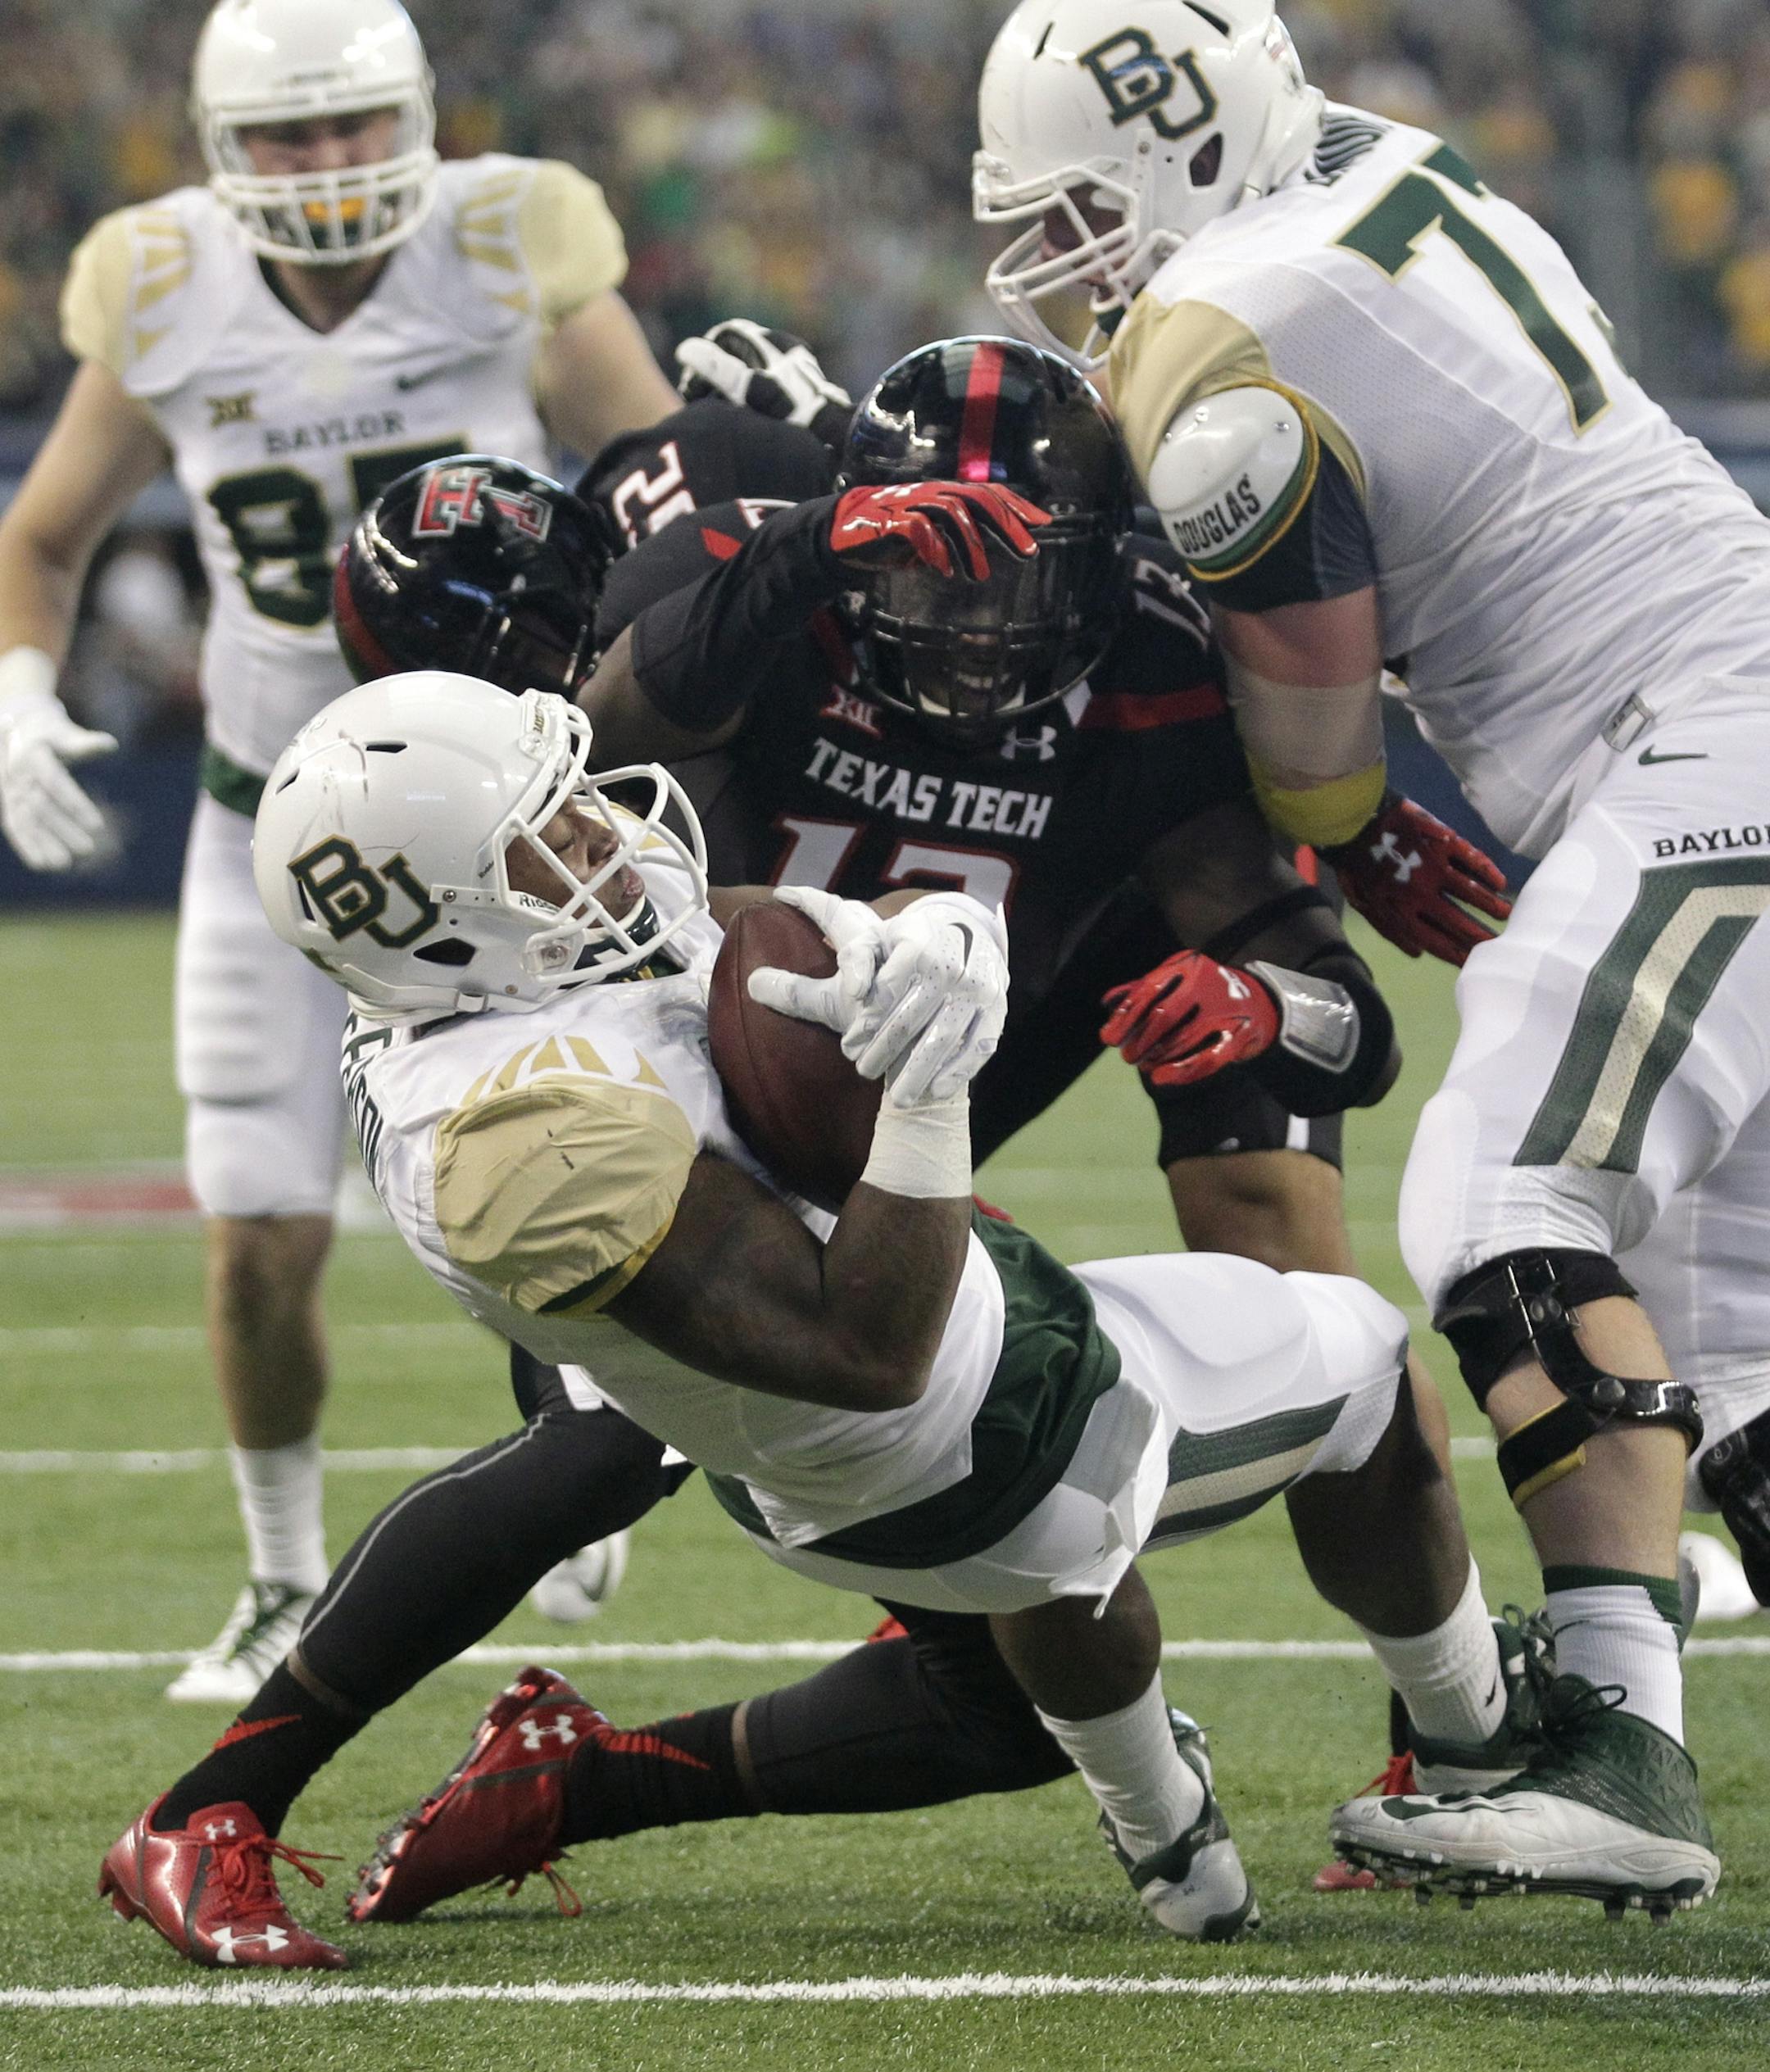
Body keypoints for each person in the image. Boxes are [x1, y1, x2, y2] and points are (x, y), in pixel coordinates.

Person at [98, 666, 1515, 1970]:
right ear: (449, 919)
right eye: (548, 835)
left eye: (569, 798)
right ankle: (1473, 1767)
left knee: (1002, 1709)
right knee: (1366, 1366)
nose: (600, 832)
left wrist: (908, 936)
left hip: (831, 1447)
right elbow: (867, 1355)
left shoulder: (498, 958)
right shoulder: (518, 1139)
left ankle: (594, 1781)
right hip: (947, 1427)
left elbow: (743, 938)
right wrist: (928, 1079)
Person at [972, 0, 1760, 1914]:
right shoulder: (1380, 164)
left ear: (1175, 147)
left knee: (1502, 1199)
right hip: (1703, 710)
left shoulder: (1209, 329)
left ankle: (1613, 1746)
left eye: (1087, 209)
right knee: (1733, 1343)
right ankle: (1625, 1752)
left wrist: (1347, 820)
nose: (1070, 262)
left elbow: (1317, 750)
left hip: (1696, 734)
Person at [0, 0, 678, 1701]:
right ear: (225, 153)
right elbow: (45, 533)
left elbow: (667, 484)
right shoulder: (160, 285)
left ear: (423, 117)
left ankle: (594, 1440)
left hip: (511, 809)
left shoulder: (510, 239)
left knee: (583, 1164)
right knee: (256, 1227)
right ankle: (280, 1574)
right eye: (290, 137)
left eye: (356, 125)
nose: (327, 166)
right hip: (266, 817)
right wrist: (18, 684)